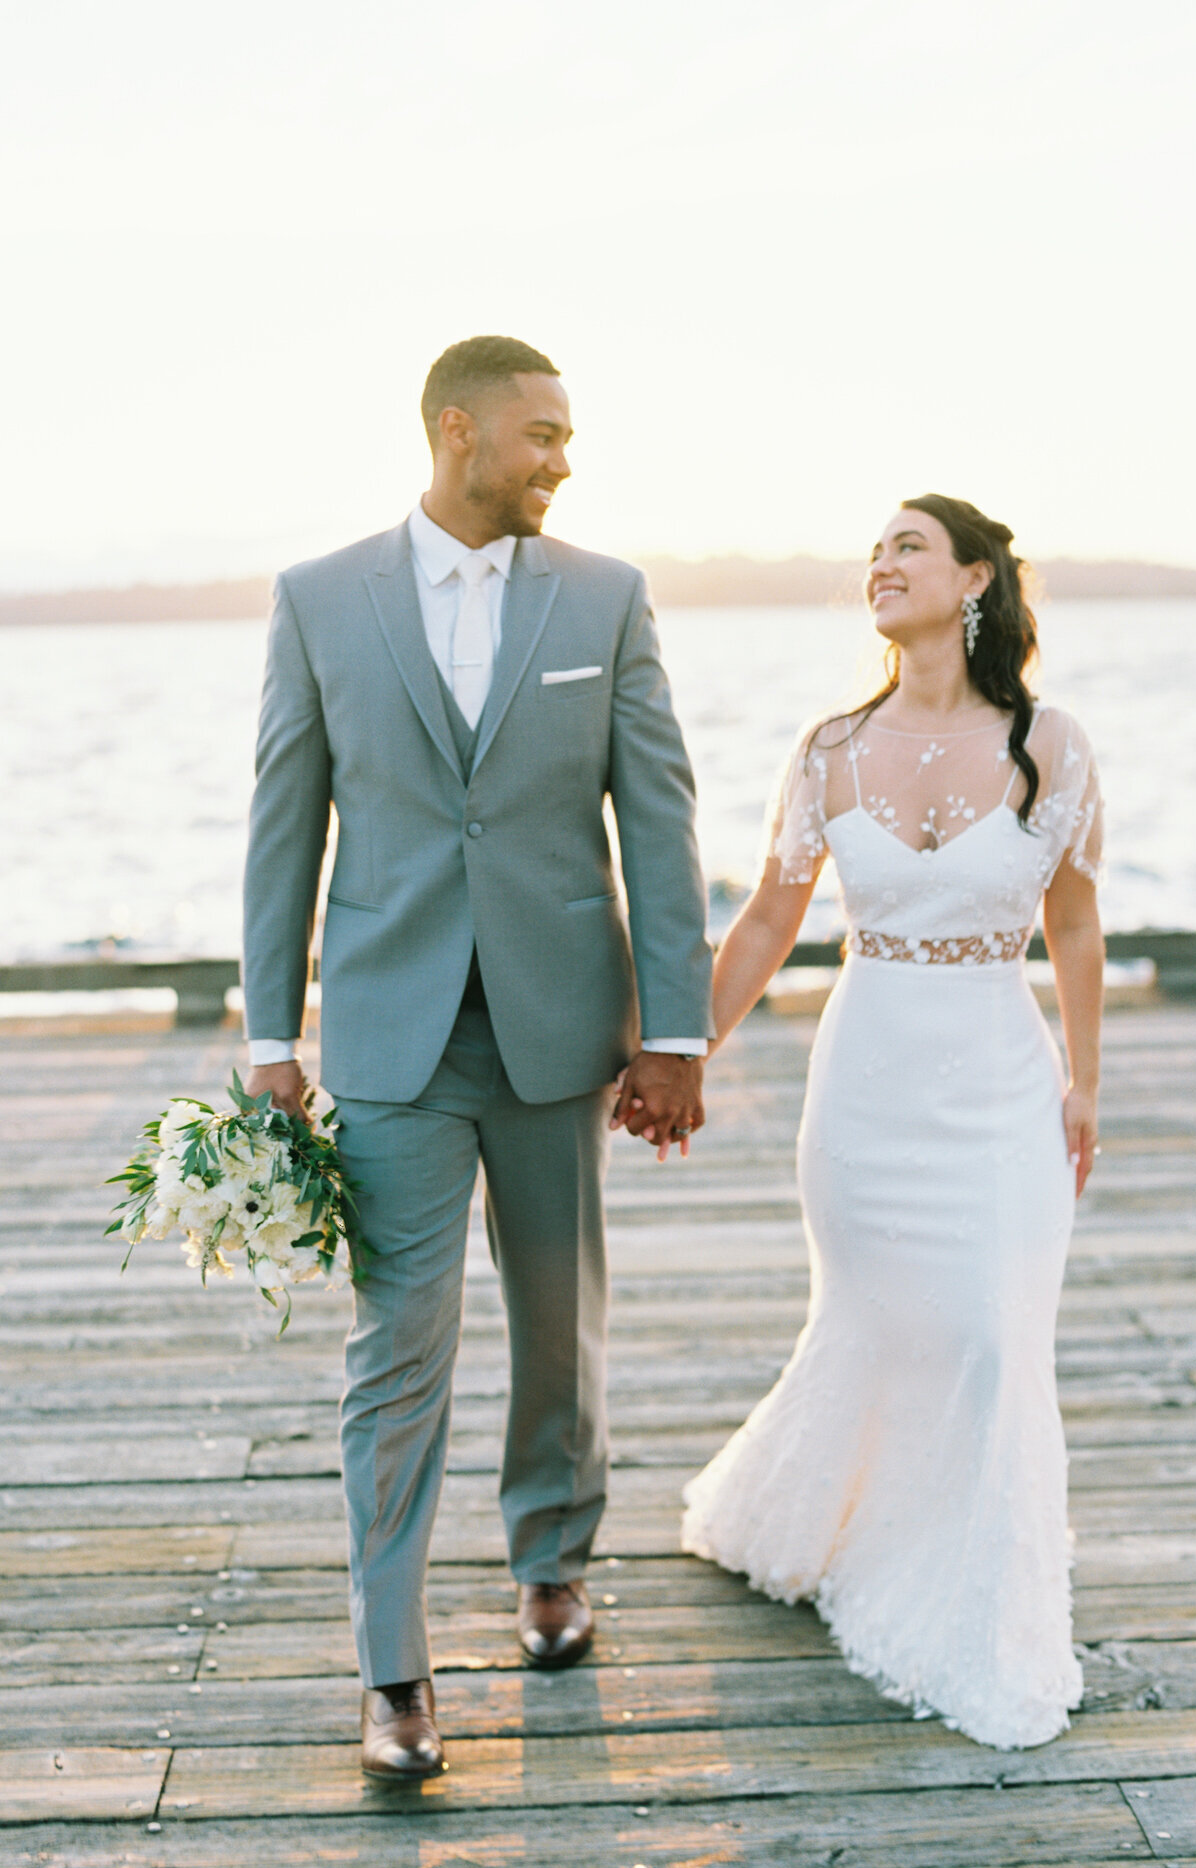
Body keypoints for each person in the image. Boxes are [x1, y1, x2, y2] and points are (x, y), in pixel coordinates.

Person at [241, 335, 714, 1779]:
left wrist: (674, 1030)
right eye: (543, 435)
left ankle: (553, 1564)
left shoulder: (606, 598)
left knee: (560, 1319)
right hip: (391, 1034)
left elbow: (661, 815)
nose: (562, 460)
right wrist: (271, 1029)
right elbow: (285, 816)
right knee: (399, 1347)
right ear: (460, 430)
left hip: (558, 1027)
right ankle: (392, 1669)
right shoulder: (319, 601)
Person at [682, 495, 1104, 1748]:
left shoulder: (1053, 743)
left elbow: (1074, 921)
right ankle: (851, 1528)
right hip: (865, 1085)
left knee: (988, 1329)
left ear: (974, 578)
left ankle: (975, 1609)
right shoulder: (829, 749)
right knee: (877, 1322)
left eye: (908, 545)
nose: (881, 563)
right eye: (874, 550)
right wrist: (683, 1046)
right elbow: (768, 914)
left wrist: (1087, 1076)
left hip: (999, 1086)